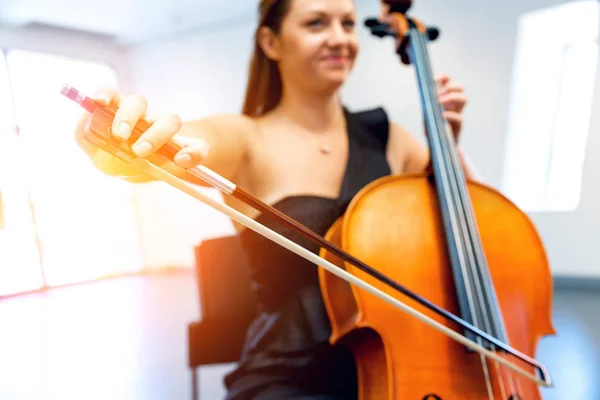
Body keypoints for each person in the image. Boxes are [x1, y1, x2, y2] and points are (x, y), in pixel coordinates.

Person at [74, 0, 478, 398]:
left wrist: (449, 147)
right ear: (271, 42)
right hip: (287, 378)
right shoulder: (247, 138)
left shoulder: (390, 139)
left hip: (399, 361)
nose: (340, 39)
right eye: (317, 24)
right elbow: (191, 142)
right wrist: (130, 138)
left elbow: (477, 226)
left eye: (349, 24)